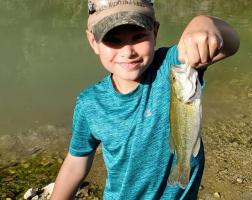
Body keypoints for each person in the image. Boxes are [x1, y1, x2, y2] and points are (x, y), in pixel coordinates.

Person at [51, 0, 240, 199]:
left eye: (138, 36)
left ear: (155, 32)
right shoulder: (89, 104)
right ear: (93, 42)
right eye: (114, 40)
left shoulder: (172, 66)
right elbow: (76, 162)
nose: (128, 51)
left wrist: (202, 23)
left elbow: (230, 44)